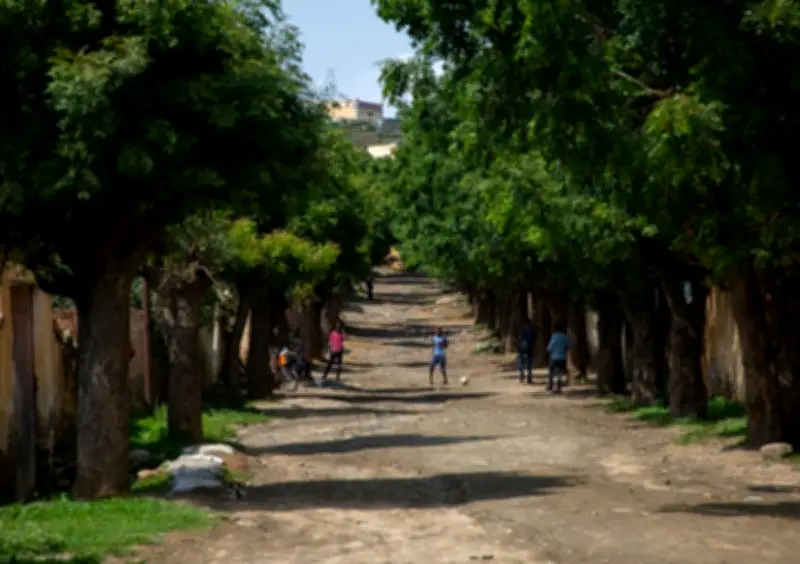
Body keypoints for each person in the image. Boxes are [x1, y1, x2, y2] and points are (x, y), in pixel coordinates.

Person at [546, 320, 574, 393]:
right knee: (560, 372)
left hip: (554, 357)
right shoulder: (564, 336)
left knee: (552, 371)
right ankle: (558, 386)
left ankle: (551, 385)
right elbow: (570, 345)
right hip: (562, 357)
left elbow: (549, 348)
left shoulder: (554, 336)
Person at [518, 319, 536, 384]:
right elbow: (534, 340)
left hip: (522, 348)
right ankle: (529, 378)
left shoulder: (522, 330)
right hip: (530, 348)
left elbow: (519, 339)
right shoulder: (533, 331)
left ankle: (521, 375)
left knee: (521, 362)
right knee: (529, 364)